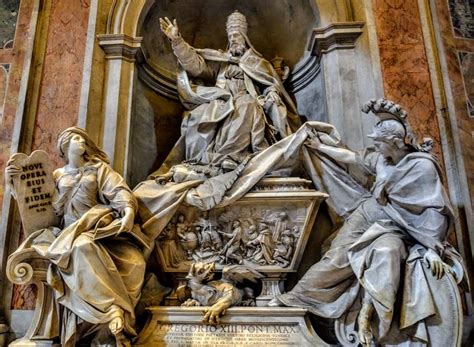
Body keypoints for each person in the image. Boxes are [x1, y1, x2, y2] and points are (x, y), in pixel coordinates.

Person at [268, 99, 457, 345]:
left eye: (379, 142)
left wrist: (433, 248)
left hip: (396, 228)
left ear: (395, 143)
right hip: (367, 214)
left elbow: (434, 210)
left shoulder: (421, 167)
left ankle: (374, 322)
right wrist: (320, 147)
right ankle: (296, 298)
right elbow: (352, 158)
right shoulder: (381, 159)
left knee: (383, 255)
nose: (375, 146)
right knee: (336, 257)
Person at [6, 127, 146, 346]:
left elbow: (118, 191)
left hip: (94, 225)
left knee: (102, 251)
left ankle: (112, 309)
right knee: (79, 247)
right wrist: (12, 182)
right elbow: (35, 203)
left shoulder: (99, 169)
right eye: (75, 138)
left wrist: (128, 210)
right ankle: (112, 309)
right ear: (65, 146)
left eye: (82, 138)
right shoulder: (57, 176)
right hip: (67, 231)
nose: (81, 141)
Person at [158, 11, 300, 173]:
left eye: (236, 36)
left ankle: (231, 156)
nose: (233, 39)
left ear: (245, 39)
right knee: (197, 115)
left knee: (245, 103)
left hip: (249, 100)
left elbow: (269, 83)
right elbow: (196, 67)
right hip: (222, 101)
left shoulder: (257, 62)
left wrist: (272, 91)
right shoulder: (222, 62)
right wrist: (177, 42)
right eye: (230, 36)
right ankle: (202, 160)